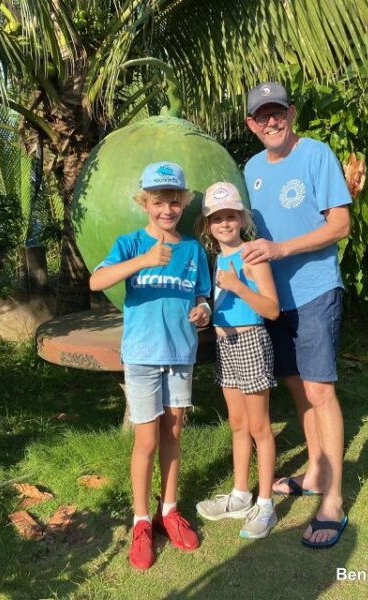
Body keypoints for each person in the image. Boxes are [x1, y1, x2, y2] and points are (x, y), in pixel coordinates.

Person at [241, 82, 352, 549]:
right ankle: (316, 471)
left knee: (320, 390)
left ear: (291, 113)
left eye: (278, 112)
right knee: (296, 387)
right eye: (262, 116)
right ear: (251, 124)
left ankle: (334, 500)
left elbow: (341, 224)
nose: (271, 122)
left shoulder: (316, 154)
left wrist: (282, 248)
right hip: (274, 298)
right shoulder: (250, 170)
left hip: (314, 290)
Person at [89, 161, 212, 571]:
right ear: (144, 203)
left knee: (173, 433)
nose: (167, 210)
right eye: (158, 202)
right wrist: (143, 260)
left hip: (180, 354)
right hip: (142, 355)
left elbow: (201, 296)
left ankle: (169, 510)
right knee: (146, 441)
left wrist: (203, 311)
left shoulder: (193, 250)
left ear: (183, 203)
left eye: (174, 202)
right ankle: (141, 520)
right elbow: (97, 281)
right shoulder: (129, 243)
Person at [194, 182, 280, 539]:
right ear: (208, 225)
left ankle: (266, 504)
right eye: (217, 218)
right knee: (238, 424)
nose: (224, 223)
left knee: (260, 427)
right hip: (224, 344)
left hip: (250, 342)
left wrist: (238, 286)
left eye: (230, 216)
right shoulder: (218, 260)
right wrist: (205, 312)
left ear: (242, 219)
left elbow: (271, 310)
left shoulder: (251, 255)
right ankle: (240, 495)